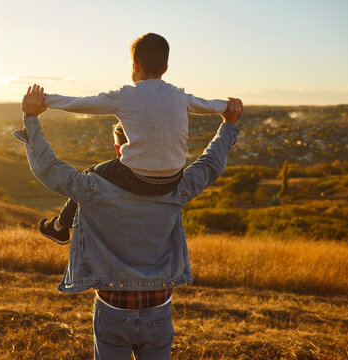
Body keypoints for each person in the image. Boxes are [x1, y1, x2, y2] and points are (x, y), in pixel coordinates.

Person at [14, 85, 242, 359]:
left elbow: (47, 167)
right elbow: (210, 164)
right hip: (159, 308)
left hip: (113, 308)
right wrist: (228, 124)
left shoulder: (93, 188)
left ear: (117, 148)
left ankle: (59, 229)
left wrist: (31, 117)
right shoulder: (178, 188)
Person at [35, 33, 239, 244]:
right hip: (173, 179)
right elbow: (209, 105)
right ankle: (59, 226)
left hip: (137, 178)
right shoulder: (179, 96)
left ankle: (59, 227)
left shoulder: (125, 96)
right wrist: (229, 106)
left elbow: (80, 103)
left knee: (91, 173)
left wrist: (45, 100)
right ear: (166, 68)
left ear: (135, 65)